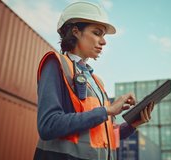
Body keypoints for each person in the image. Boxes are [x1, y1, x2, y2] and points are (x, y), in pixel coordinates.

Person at [34, 1, 154, 160]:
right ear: (76, 31)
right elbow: (48, 125)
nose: (104, 41)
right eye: (97, 33)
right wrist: (107, 111)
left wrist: (132, 125)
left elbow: (104, 138)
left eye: (103, 36)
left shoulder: (97, 82)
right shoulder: (57, 64)